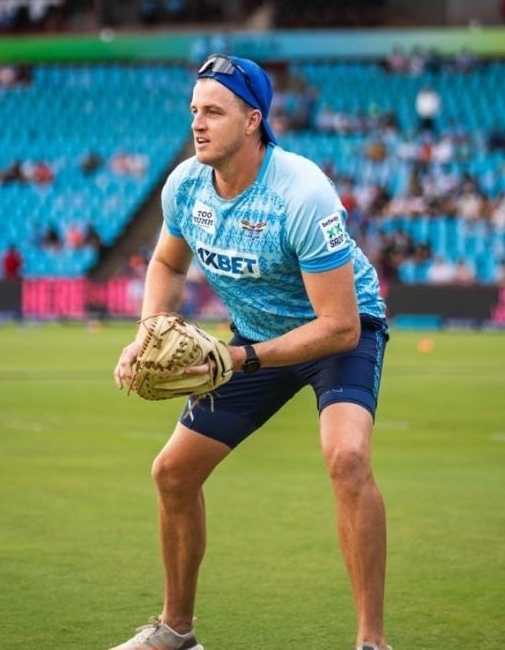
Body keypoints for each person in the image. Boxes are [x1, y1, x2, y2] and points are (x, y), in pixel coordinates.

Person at [112, 54, 391, 650]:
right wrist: (149, 332)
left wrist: (239, 358)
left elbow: (339, 327)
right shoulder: (185, 185)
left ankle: (371, 641)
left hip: (340, 332)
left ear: (252, 121)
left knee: (347, 457)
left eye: (213, 111)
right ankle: (176, 631)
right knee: (173, 472)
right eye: (194, 111)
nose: (198, 123)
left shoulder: (302, 193)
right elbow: (167, 264)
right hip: (257, 335)